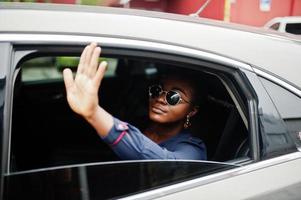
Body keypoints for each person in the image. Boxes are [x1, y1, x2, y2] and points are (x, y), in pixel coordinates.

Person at [63, 42, 207, 160]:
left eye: (173, 97)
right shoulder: (140, 122)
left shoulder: (193, 149)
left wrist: (94, 113)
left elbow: (165, 162)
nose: (160, 99)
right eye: (157, 90)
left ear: (192, 110)